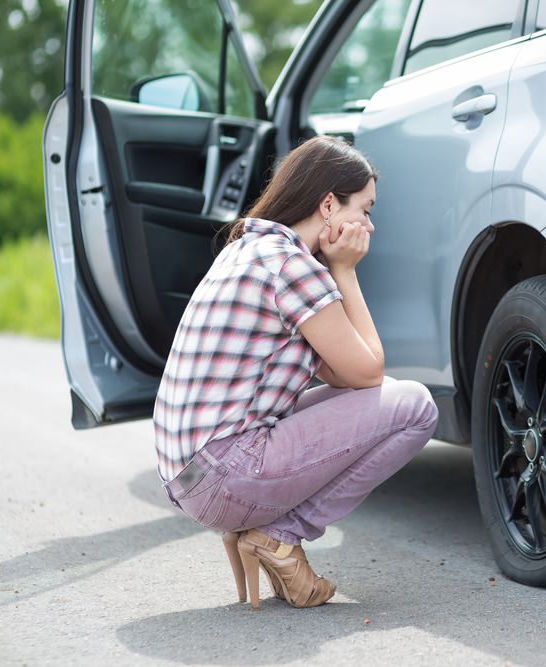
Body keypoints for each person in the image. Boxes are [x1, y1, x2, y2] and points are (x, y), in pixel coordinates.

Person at [153, 136, 439, 611]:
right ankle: (279, 535)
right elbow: (369, 371)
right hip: (225, 475)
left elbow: (344, 376)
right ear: (329, 203)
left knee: (388, 397)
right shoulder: (293, 266)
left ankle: (264, 534)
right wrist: (344, 271)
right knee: (415, 406)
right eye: (364, 209)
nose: (369, 224)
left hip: (190, 475)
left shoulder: (248, 248)